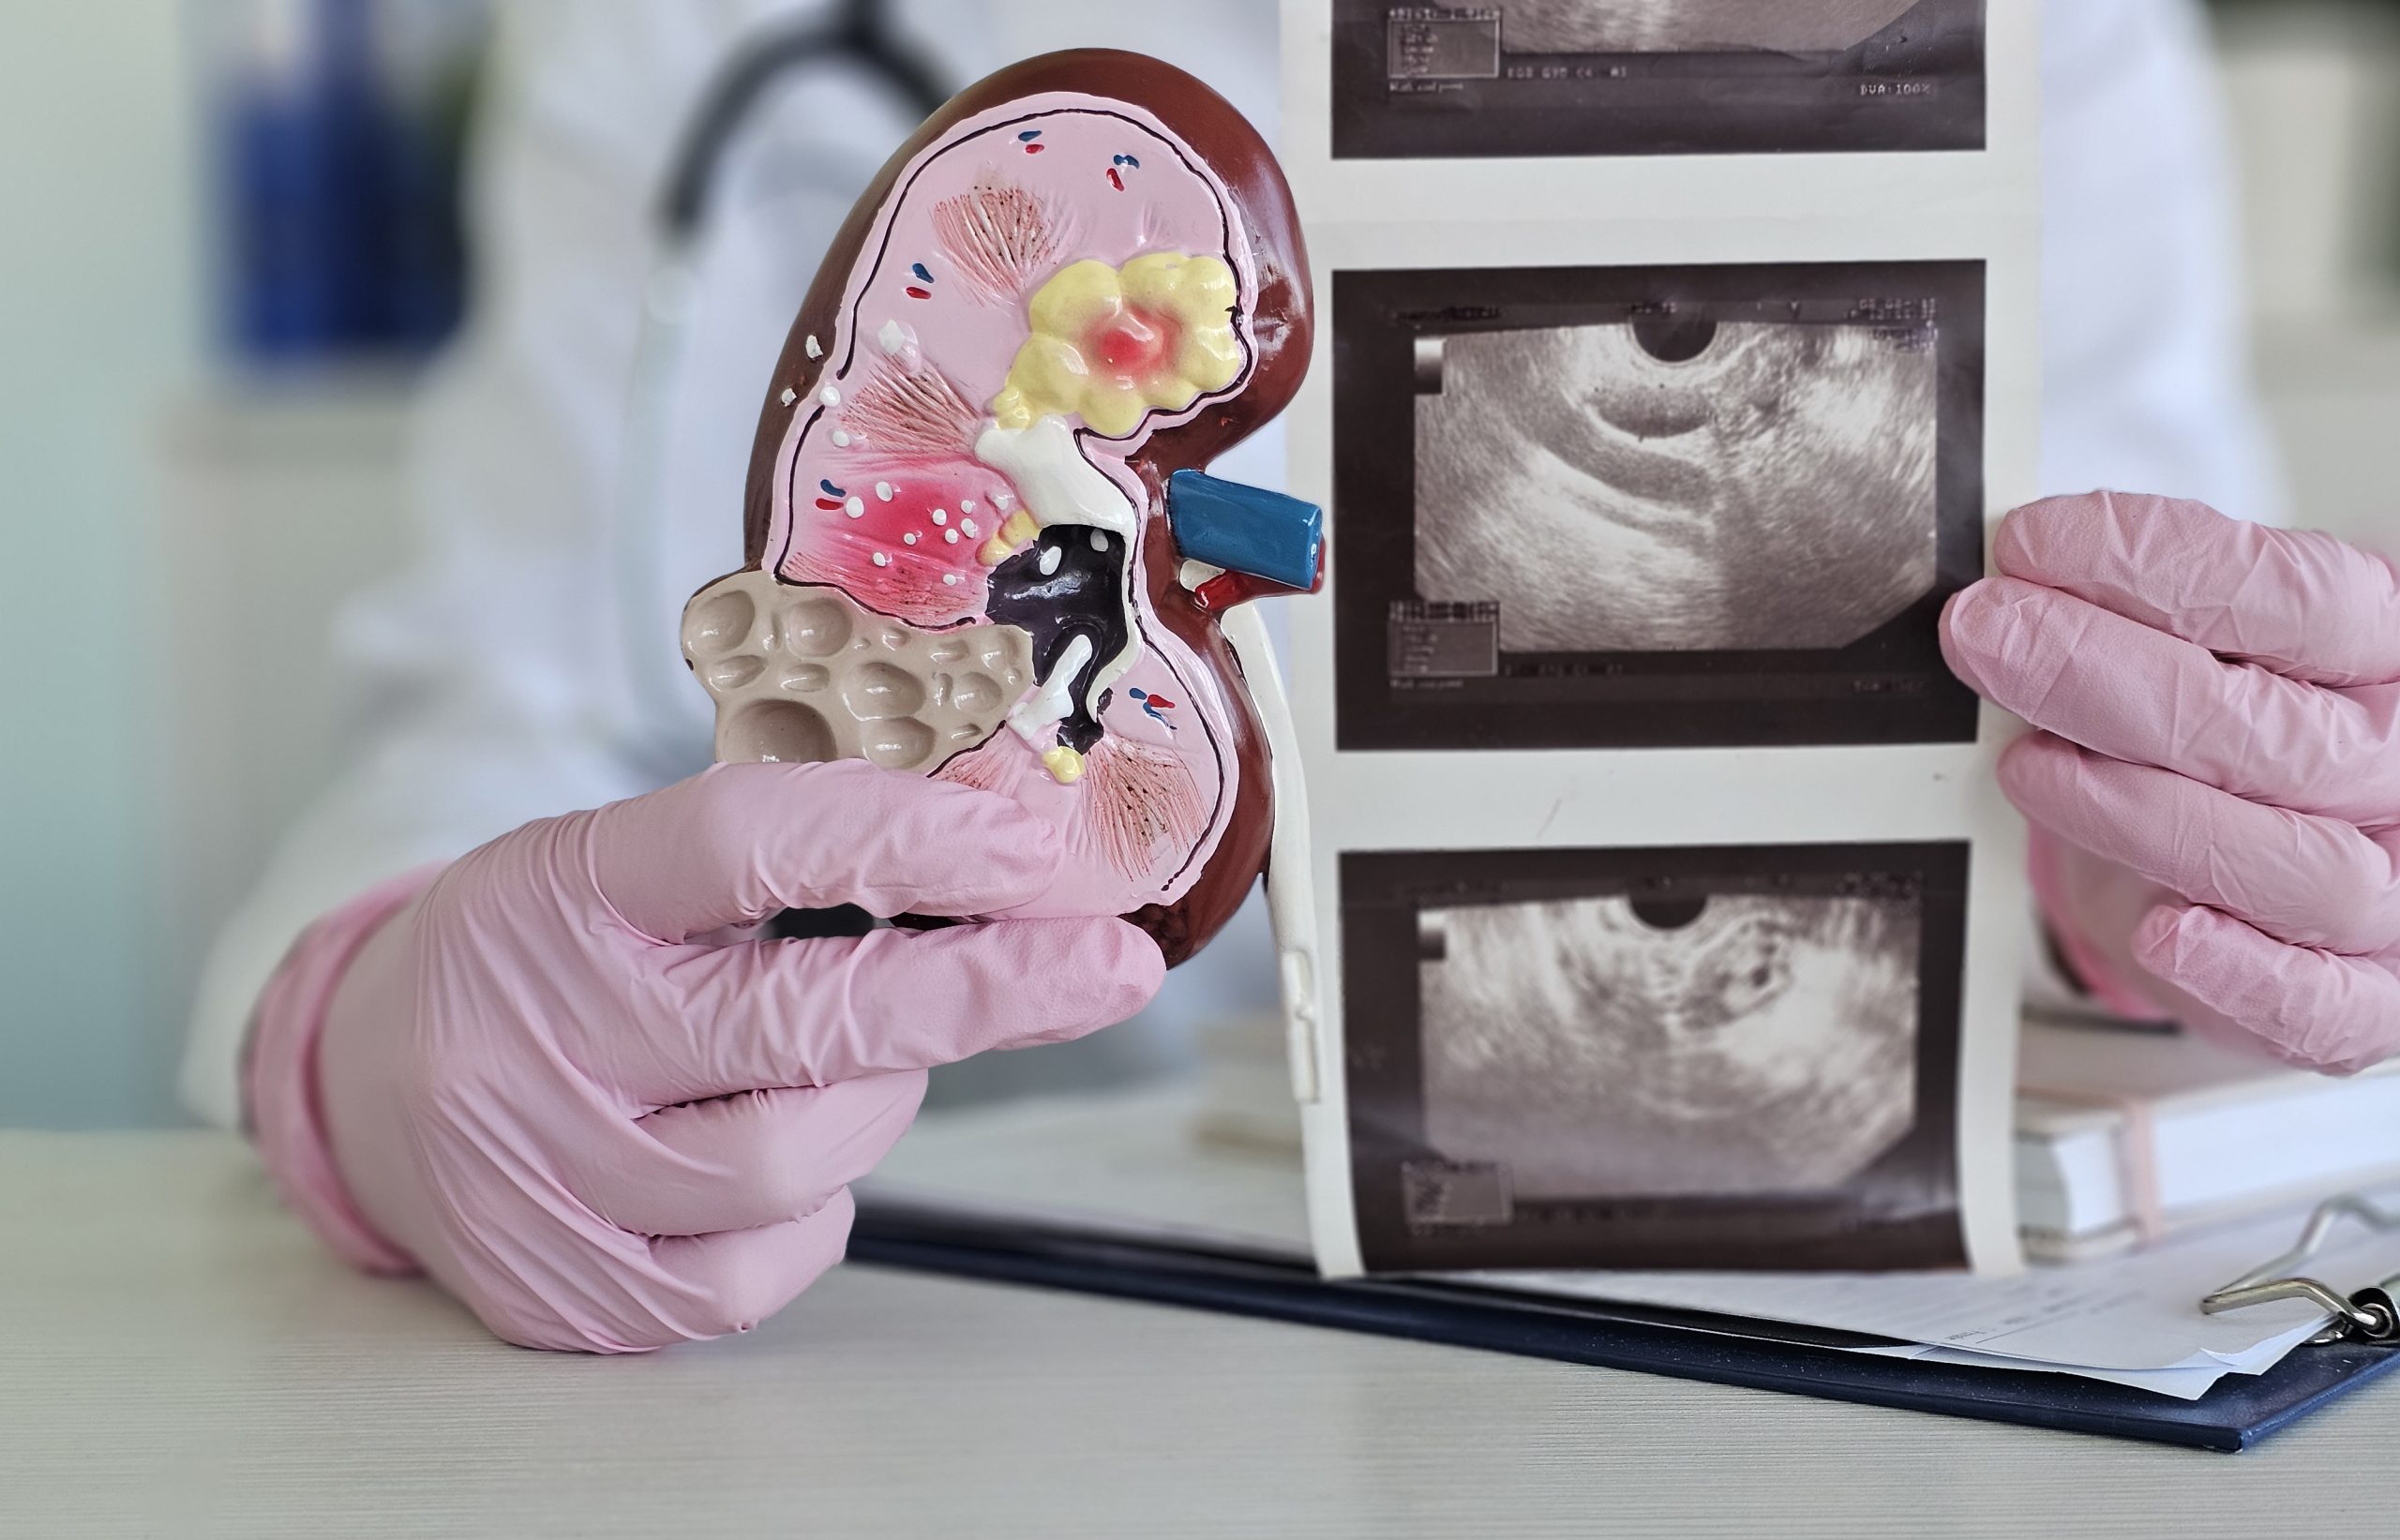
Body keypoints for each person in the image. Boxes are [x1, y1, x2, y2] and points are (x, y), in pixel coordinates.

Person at [186, 0, 2399, 1352]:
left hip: (1795, 1338)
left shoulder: (2046, 30)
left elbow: (2162, 650)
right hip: (951, 1338)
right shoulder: (699, 31)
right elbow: (495, 700)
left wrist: (2187, 871)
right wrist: (368, 1037)